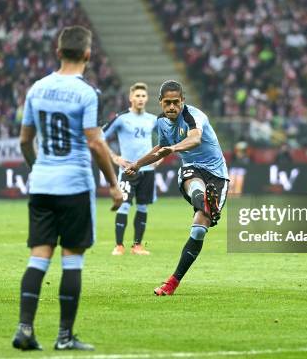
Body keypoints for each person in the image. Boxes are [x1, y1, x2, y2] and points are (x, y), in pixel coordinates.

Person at [12, 26, 123, 352]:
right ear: (88, 55)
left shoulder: (37, 88)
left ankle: (25, 329)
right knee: (72, 258)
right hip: (73, 184)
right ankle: (64, 337)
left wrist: (38, 169)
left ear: (58, 52)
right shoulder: (87, 94)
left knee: (38, 257)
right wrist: (114, 185)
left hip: (43, 184)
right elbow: (95, 142)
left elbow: (24, 141)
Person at [125, 80, 229, 296]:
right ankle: (209, 204)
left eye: (176, 103)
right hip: (192, 169)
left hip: (217, 174)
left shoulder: (194, 116)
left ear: (183, 101)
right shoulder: (161, 121)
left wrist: (173, 148)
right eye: (167, 103)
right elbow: (161, 147)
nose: (172, 107)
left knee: (199, 229)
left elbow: (195, 139)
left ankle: (209, 206)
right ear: (160, 102)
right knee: (193, 181)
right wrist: (138, 164)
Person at [103, 82, 159, 256]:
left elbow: (167, 139)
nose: (141, 99)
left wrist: (161, 157)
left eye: (143, 96)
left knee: (142, 207)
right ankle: (119, 245)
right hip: (128, 170)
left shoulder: (153, 119)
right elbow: (100, 138)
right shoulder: (121, 118)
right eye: (137, 96)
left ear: (147, 98)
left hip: (147, 170)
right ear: (131, 98)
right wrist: (115, 157)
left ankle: (137, 246)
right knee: (124, 206)